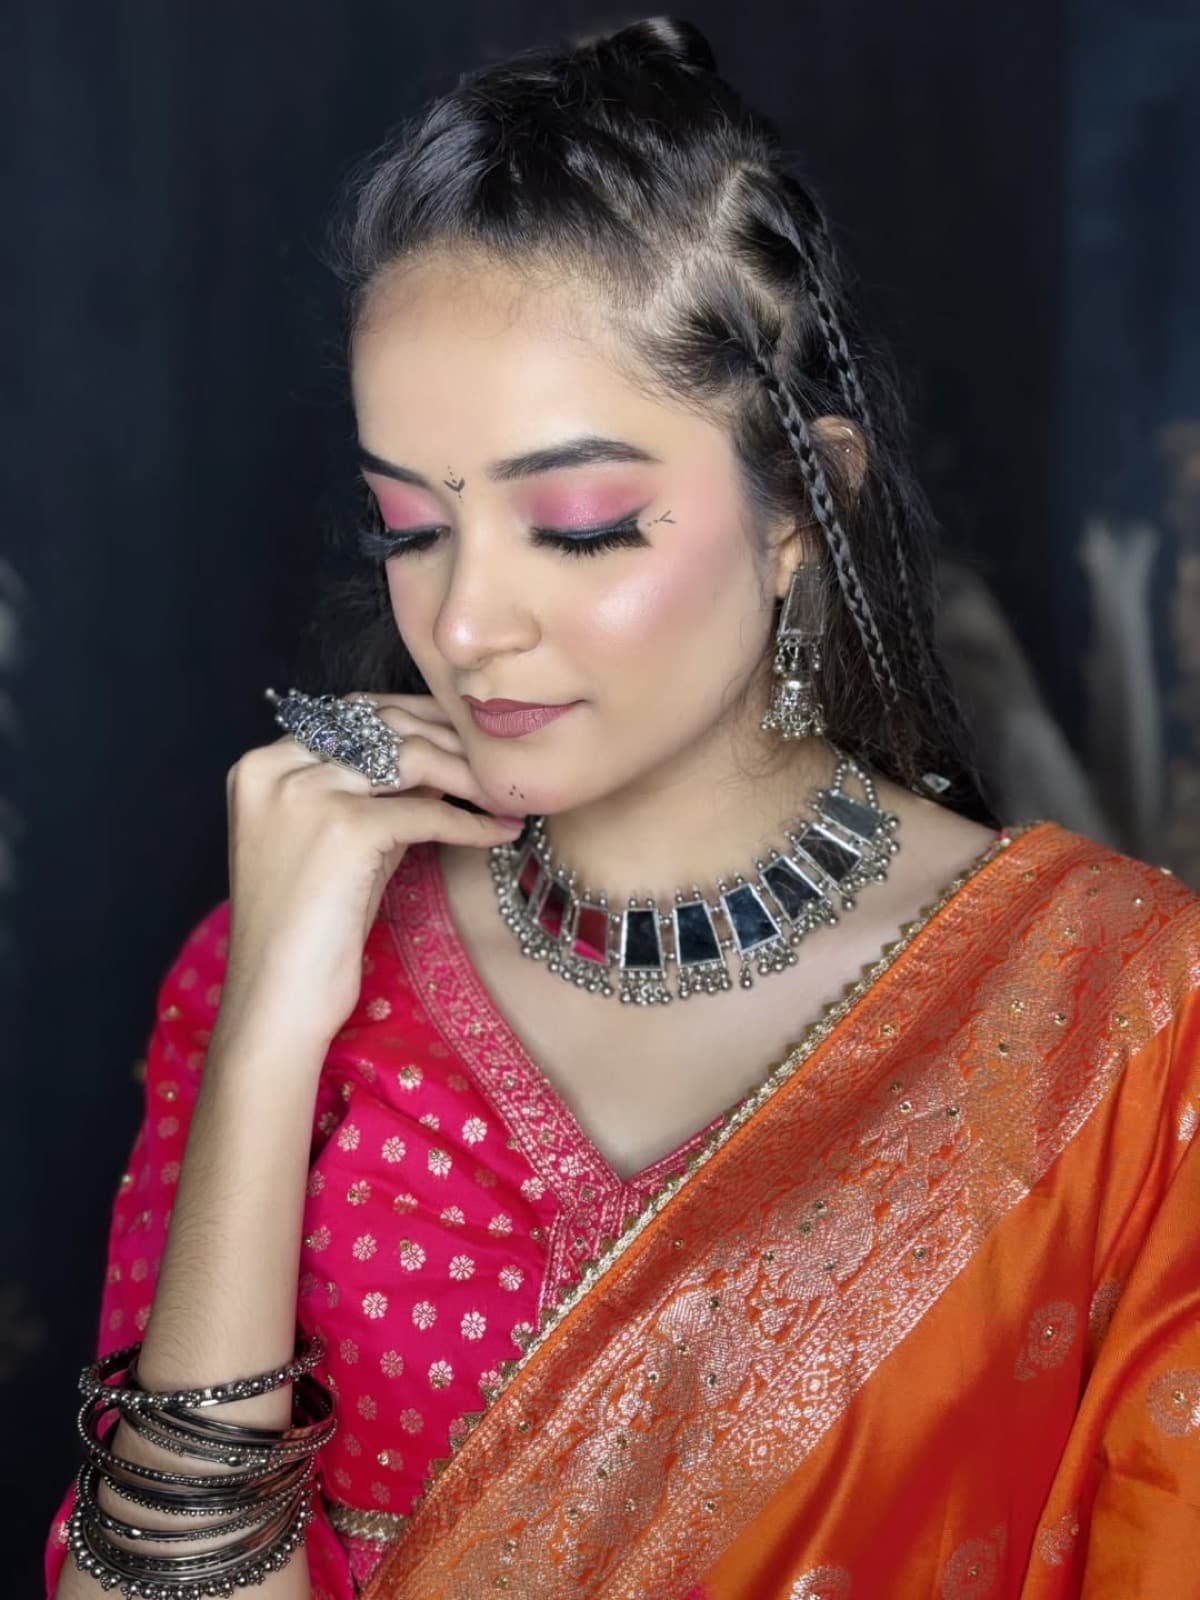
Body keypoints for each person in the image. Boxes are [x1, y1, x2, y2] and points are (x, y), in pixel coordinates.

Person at [46, 16, 1200, 1600]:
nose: (463, 627)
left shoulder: (1114, 1009)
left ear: (804, 503)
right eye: (410, 526)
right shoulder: (288, 964)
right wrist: (264, 1040)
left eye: (576, 526)